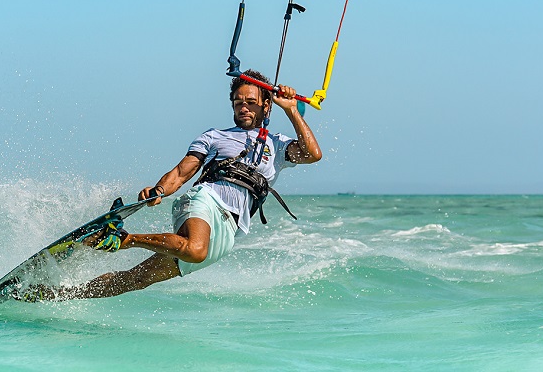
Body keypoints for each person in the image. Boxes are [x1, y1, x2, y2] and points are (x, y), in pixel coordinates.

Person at [17, 70, 322, 301]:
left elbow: (312, 154)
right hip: (205, 202)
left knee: (136, 279)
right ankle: (124, 239)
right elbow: (183, 170)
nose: (243, 107)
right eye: (237, 102)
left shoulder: (279, 146)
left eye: (251, 102)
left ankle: (55, 294)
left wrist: (291, 109)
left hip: (229, 230)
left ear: (266, 106)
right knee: (195, 249)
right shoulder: (215, 136)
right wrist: (160, 190)